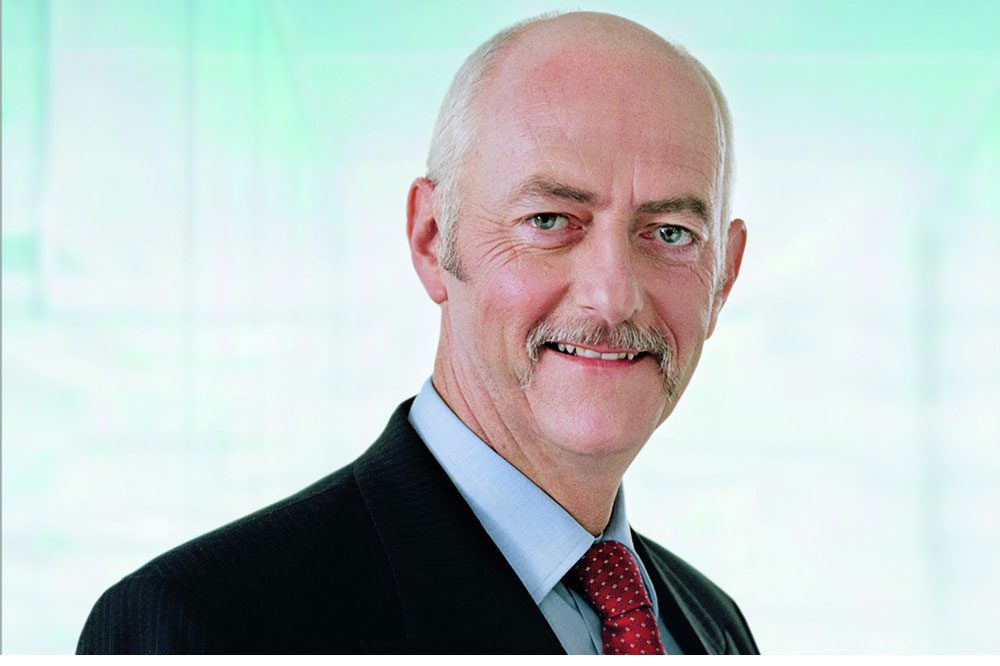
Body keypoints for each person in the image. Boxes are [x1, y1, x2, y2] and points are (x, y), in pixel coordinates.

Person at [78, 11, 756, 654]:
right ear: (432, 240)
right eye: (549, 221)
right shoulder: (206, 626)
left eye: (671, 233)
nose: (611, 297)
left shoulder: (711, 627)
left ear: (723, 277)